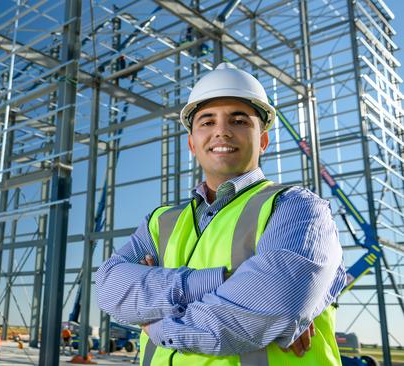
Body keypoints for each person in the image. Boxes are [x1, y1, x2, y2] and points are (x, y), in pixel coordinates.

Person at [95, 63, 346, 366]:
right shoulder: (161, 222)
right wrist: (226, 280)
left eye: (239, 121)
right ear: (192, 143)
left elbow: (267, 307)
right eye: (207, 121)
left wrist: (156, 319)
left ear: (263, 140)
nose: (222, 131)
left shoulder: (296, 208)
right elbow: (109, 289)